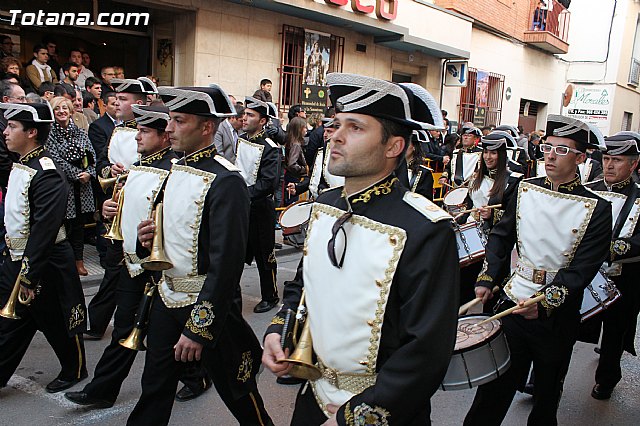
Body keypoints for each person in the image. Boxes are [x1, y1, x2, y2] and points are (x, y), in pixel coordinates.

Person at [262, 73, 460, 425]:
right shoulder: (324, 203)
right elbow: (302, 288)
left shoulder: (427, 228)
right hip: (314, 398)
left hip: (381, 412)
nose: (335, 135)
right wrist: (279, 330)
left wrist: (353, 417)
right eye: (337, 124)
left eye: (355, 128)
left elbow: (426, 351)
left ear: (393, 147)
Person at [129, 85, 273, 426]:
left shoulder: (228, 180)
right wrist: (143, 240)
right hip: (167, 298)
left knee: (238, 392)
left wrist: (198, 329)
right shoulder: (175, 170)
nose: (169, 128)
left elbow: (226, 264)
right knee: (154, 388)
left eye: (179, 121)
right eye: (170, 120)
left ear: (206, 127)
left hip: (207, 306)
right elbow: (166, 238)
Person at [464, 115, 612, 426]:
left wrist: (545, 303)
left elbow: (582, 269)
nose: (550, 155)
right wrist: (488, 278)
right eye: (548, 147)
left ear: (581, 158)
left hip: (556, 316)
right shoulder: (524, 189)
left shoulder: (598, 208)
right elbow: (502, 237)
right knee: (492, 392)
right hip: (514, 303)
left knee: (546, 395)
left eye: (562, 150)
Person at [65, 104, 210, 409]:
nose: (137, 138)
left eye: (144, 132)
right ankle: (102, 389)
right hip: (130, 260)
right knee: (126, 327)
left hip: (157, 266)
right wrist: (109, 212)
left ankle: (197, 377)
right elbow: (127, 207)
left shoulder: (176, 168)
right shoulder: (139, 164)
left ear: (161, 136)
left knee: (160, 332)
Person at [0, 102, 87, 393]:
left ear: (32, 132)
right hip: (17, 257)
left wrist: (28, 275)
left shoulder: (47, 171)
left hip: (45, 262)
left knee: (57, 321)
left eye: (12, 126)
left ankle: (74, 370)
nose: (5, 131)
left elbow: (44, 230)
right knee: (9, 324)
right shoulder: (22, 162)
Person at [86, 77, 155, 339]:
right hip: (118, 210)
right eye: (116, 99)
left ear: (138, 103)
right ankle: (100, 322)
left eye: (123, 99)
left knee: (133, 271)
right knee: (116, 270)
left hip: (142, 213)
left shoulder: (155, 129)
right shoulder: (116, 131)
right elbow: (102, 164)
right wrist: (109, 172)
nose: (117, 103)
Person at [580, 131, 640, 400]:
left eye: (617, 160)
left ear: (634, 164)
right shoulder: (589, 191)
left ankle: (607, 378)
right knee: (568, 326)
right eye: (606, 159)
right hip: (587, 273)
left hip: (625, 275)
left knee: (615, 332)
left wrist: (615, 248)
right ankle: (546, 380)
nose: (609, 165)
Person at [236, 97, 281, 313]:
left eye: (250, 115)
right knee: (234, 253)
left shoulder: (271, 148)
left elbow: (267, 183)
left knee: (265, 256)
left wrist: (240, 195)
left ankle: (270, 296)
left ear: (262, 121)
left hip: (261, 209)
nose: (245, 118)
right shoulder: (241, 139)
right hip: (242, 207)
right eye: (244, 114)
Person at [46, 96, 96, 277]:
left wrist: (89, 172)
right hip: (63, 186)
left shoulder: (81, 132)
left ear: (71, 111)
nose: (62, 111)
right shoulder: (49, 134)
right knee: (63, 226)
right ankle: (65, 265)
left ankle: (79, 262)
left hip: (82, 188)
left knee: (79, 227)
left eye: (65, 108)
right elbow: (55, 159)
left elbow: (92, 155)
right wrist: (76, 175)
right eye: (57, 108)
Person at [283, 116, 308, 206]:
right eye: (305, 127)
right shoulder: (296, 144)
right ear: (299, 129)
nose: (306, 130)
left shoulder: (291, 141)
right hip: (294, 177)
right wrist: (305, 169)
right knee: (292, 203)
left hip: (290, 175)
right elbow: (292, 164)